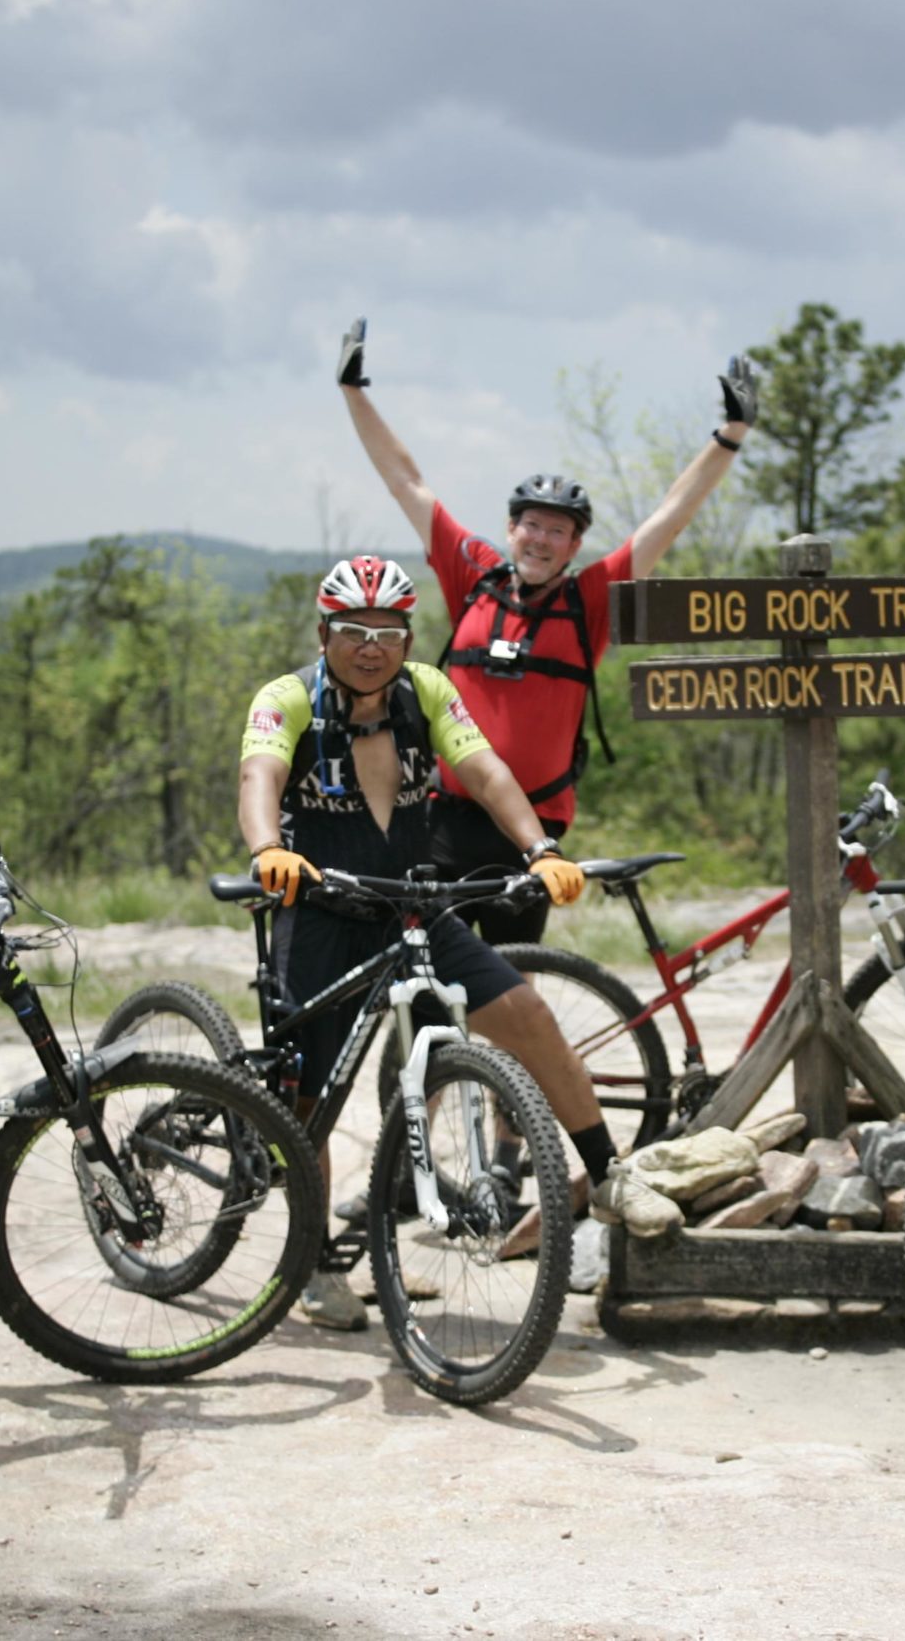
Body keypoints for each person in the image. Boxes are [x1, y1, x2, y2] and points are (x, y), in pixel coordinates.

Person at [238, 557, 616, 1328]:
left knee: (526, 1014)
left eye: (387, 632)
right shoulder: (286, 698)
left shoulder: (427, 691)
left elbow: (486, 771)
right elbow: (259, 777)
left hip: (411, 907)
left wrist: (539, 848)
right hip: (320, 912)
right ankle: (309, 1263)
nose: (371, 646)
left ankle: (612, 1180)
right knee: (311, 1099)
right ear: (323, 633)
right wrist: (266, 848)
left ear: (409, 636)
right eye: (352, 631)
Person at [338, 317, 756, 943]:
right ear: (511, 530)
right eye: (531, 525)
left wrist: (730, 435)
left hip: (532, 827)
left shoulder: (588, 602)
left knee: (511, 988)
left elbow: (668, 521)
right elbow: (407, 483)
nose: (541, 538)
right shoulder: (472, 577)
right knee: (424, 985)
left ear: (575, 543)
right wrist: (354, 391)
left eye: (557, 530)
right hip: (443, 817)